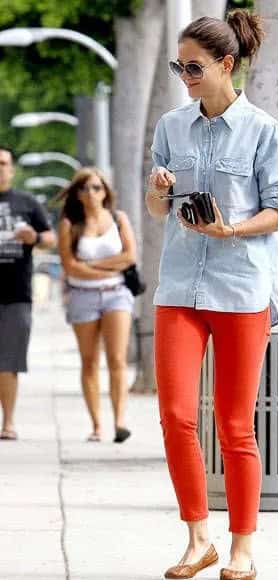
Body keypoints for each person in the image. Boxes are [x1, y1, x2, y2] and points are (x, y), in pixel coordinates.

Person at [146, 10, 278, 580]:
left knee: (235, 424)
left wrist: (229, 229)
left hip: (241, 289)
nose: (184, 75)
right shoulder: (170, 126)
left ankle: (243, 549)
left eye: (194, 66)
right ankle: (198, 538)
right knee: (176, 415)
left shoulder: (265, 131)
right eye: (178, 65)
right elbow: (159, 212)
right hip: (180, 285)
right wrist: (161, 191)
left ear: (226, 64)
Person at [58, 167, 136, 443]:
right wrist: (104, 269)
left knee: (117, 359)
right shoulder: (70, 223)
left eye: (96, 187)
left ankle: (120, 421)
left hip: (117, 294)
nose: (91, 193)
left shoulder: (118, 218)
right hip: (83, 297)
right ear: (77, 194)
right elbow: (70, 266)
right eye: (85, 188)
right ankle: (96, 425)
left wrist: (92, 265)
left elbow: (129, 256)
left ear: (105, 191)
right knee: (90, 361)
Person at [0, 146, 56, 441]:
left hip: (16, 294)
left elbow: (50, 237)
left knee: (9, 362)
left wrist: (33, 237)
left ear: (11, 168)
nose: (0, 168)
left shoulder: (26, 202)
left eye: (3, 163)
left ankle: (8, 422)